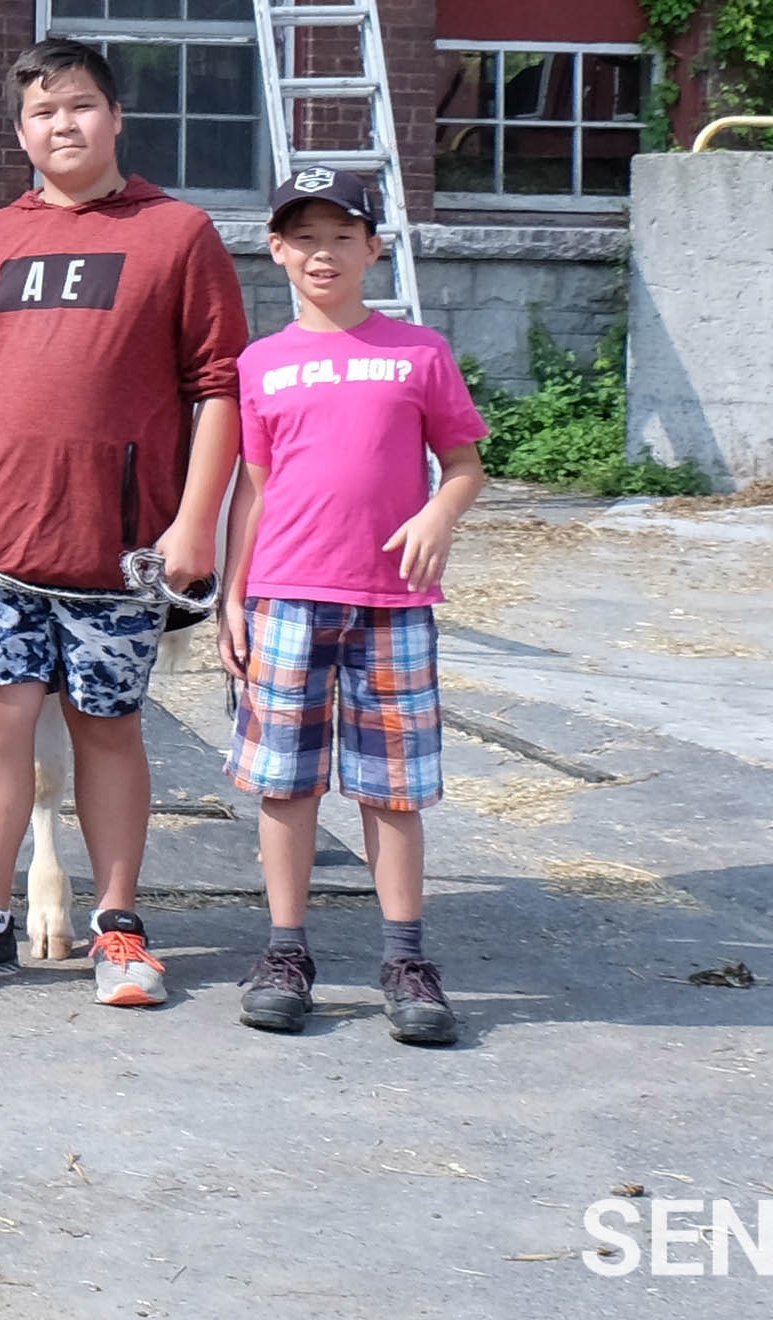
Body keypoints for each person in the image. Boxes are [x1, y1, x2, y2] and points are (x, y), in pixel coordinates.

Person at [0, 38, 241, 1007]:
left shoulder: (177, 234)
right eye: (44, 113)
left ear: (116, 116)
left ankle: (118, 925)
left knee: (107, 728)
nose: (64, 125)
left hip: (115, 548)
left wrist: (197, 521)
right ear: (20, 134)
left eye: (81, 106)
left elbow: (218, 388)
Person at [220, 164, 481, 1047]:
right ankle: (285, 949)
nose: (322, 253)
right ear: (277, 250)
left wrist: (440, 512)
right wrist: (233, 594)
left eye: (342, 236)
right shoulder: (260, 363)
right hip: (287, 595)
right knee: (284, 782)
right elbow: (252, 490)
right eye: (304, 237)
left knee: (394, 788)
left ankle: (406, 956)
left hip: (393, 601)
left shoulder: (419, 352)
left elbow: (466, 464)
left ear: (373, 247)